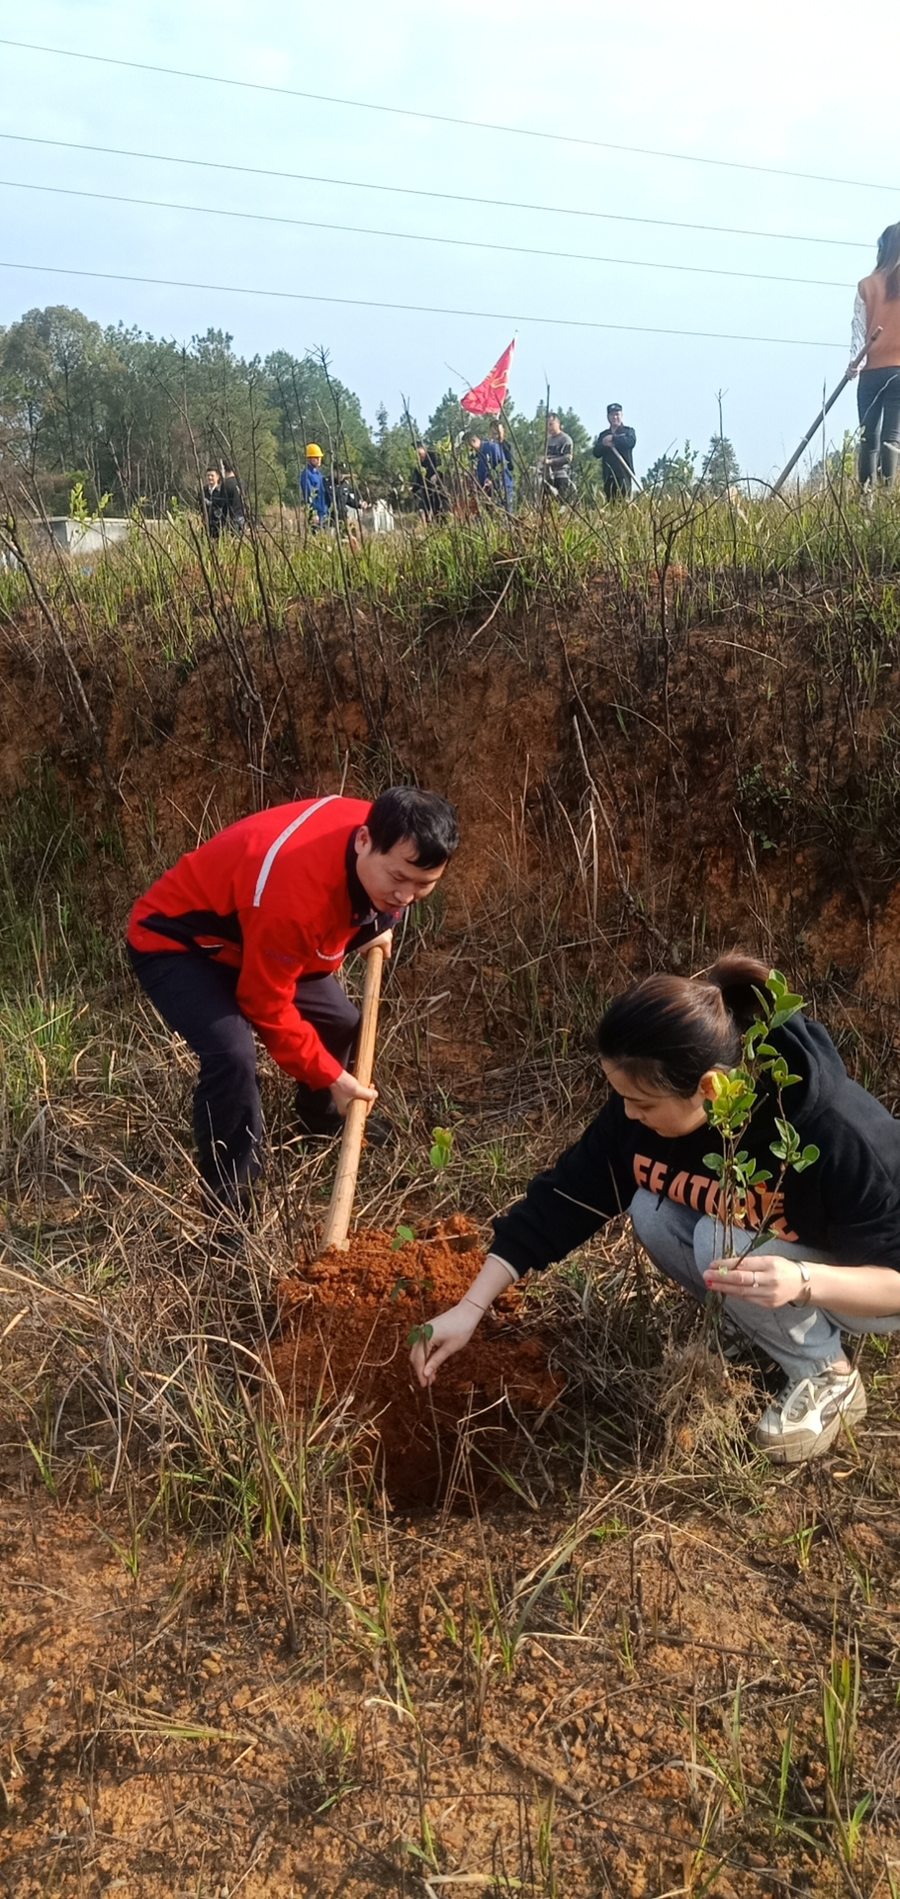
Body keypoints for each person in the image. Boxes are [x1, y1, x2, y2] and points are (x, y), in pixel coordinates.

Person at [411, 955, 900, 1465]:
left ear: (710, 1088)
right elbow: (565, 1197)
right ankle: (755, 1326)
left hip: (867, 1284)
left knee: (719, 1239)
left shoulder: (832, 1135)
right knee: (652, 1209)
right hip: (785, 1258)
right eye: (621, 1096)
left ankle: (827, 1375)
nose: (628, 1114)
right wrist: (471, 1308)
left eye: (643, 1103)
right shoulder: (640, 1116)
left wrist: (801, 1281)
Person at [128, 788, 460, 1226]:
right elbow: (264, 1002)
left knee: (341, 1022)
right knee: (232, 1056)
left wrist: (374, 925)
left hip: (253, 936)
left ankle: (319, 1118)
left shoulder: (395, 839)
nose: (406, 895)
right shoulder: (295, 897)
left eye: (423, 886)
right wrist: (331, 1075)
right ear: (363, 840)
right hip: (179, 942)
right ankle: (230, 1210)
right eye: (397, 879)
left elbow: (378, 900)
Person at [851, 223, 900, 489]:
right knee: (891, 438)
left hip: (869, 373)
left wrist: (853, 366)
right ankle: (887, 498)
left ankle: (865, 504)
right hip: (898, 373)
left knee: (867, 439)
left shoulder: (866, 285)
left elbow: (858, 331)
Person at [593, 404, 637, 501]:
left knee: (624, 502)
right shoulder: (603, 435)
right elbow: (596, 453)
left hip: (623, 473)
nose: (615, 417)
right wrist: (604, 444)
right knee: (611, 503)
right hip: (608, 475)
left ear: (621, 415)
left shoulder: (628, 431)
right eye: (612, 415)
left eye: (617, 414)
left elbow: (630, 442)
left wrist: (614, 439)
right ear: (608, 417)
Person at [476, 421, 514, 511]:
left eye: (499, 433)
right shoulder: (486, 448)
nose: (497, 436)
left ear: (503, 432)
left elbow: (511, 466)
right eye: (494, 433)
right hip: (490, 488)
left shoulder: (508, 446)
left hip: (505, 485)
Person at [410, 442, 448, 519]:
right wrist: (412, 489)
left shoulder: (434, 456)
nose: (419, 457)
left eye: (420, 454)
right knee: (429, 514)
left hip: (440, 489)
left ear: (424, 449)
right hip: (427, 492)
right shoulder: (418, 464)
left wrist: (437, 475)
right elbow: (417, 480)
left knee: (442, 512)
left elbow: (441, 468)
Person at [543, 413, 574, 503]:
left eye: (551, 424)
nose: (549, 428)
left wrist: (550, 461)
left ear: (558, 423)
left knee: (560, 504)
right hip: (548, 476)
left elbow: (568, 458)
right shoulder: (548, 440)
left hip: (561, 476)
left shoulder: (565, 439)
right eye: (547, 425)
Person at [299, 444, 328, 532]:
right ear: (309, 459)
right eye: (315, 457)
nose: (318, 459)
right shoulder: (306, 475)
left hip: (324, 513)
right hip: (316, 515)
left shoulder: (319, 475)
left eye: (319, 457)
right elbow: (309, 496)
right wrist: (313, 513)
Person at [202, 466, 229, 540]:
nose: (209, 478)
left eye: (212, 475)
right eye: (208, 475)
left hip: (219, 525)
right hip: (206, 524)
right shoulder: (203, 492)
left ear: (218, 477)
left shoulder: (222, 491)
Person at [222, 463, 246, 533]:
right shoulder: (242, 483)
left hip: (232, 517)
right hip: (242, 516)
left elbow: (223, 504)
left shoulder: (226, 484)